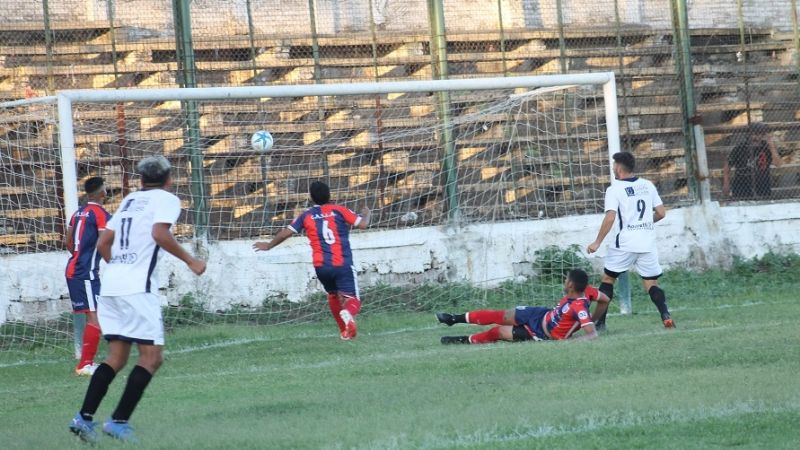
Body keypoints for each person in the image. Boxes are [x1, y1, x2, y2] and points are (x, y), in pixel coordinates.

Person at [68, 156, 206, 443]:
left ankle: (84, 418)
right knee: (152, 358)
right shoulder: (166, 199)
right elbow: (159, 233)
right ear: (168, 179)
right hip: (137, 289)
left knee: (116, 358)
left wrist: (119, 268)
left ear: (141, 180)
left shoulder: (130, 200)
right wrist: (190, 260)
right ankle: (118, 421)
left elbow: (104, 243)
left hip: (112, 285)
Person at [253, 181, 370, 340]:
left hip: (321, 267)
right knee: (352, 299)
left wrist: (269, 245)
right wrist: (366, 213)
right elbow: (363, 224)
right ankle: (348, 313)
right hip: (342, 264)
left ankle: (344, 331)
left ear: (312, 198)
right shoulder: (339, 210)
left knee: (333, 295)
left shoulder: (306, 215)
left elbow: (286, 233)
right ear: (329, 194)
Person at [586, 151, 674, 329]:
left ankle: (600, 323)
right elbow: (661, 213)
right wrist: (646, 223)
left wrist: (597, 242)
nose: (612, 168)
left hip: (625, 243)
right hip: (647, 243)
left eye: (613, 165)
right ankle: (665, 315)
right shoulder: (648, 185)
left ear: (618, 167)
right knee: (651, 283)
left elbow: (610, 217)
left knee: (608, 280)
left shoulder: (614, 189)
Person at [436, 269, 607, 344]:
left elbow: (592, 334)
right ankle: (453, 318)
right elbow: (605, 299)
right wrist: (595, 318)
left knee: (498, 332)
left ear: (570, 285)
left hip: (541, 333)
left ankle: (463, 340)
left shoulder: (579, 308)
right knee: (501, 315)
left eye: (566, 279)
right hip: (541, 314)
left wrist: (576, 338)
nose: (564, 280)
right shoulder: (588, 291)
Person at [65, 176, 111, 376]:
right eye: (106, 189)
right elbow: (104, 242)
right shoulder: (100, 214)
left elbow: (68, 241)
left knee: (94, 315)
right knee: (95, 318)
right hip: (85, 273)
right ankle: (85, 364)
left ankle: (87, 362)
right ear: (102, 193)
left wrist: (80, 256)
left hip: (75, 269)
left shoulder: (78, 213)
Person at [723, 122, 782, 199]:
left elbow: (778, 164)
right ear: (749, 134)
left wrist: (771, 145)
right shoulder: (740, 148)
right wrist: (726, 183)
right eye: (755, 133)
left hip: (762, 186)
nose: (757, 136)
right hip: (742, 186)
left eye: (761, 134)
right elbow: (727, 166)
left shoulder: (766, 147)